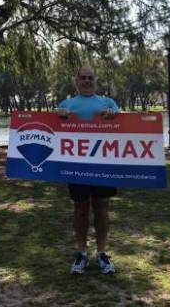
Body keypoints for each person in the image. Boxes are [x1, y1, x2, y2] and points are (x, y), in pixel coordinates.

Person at [57, 66, 119, 275]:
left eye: (90, 78)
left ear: (96, 80)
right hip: (76, 167)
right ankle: (81, 253)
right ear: (76, 80)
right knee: (80, 210)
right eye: (82, 78)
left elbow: (126, 128)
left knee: (102, 209)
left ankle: (102, 253)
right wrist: (59, 116)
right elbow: (54, 131)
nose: (86, 81)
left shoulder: (108, 103)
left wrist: (114, 117)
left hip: (104, 165)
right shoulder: (66, 104)